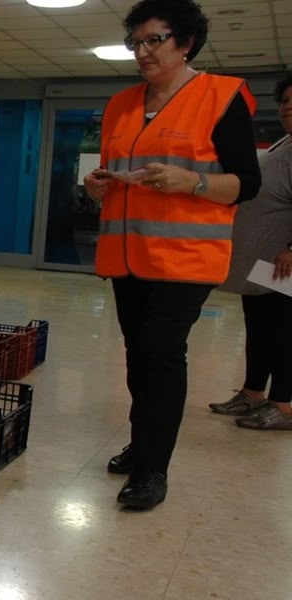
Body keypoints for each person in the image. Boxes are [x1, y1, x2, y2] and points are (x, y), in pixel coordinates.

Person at [82, 0, 261, 509]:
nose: (142, 52)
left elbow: (245, 184)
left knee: (161, 355)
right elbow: (114, 170)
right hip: (127, 254)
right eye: (135, 42)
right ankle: (142, 445)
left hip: (185, 257)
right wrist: (99, 186)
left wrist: (194, 181)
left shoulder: (221, 97)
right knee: (139, 356)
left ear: (185, 43)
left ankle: (153, 469)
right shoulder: (120, 104)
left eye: (154, 40)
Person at [210, 74, 292, 429]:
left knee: (282, 332)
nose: (288, 107)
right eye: (285, 100)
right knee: (258, 327)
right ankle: (253, 393)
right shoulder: (284, 143)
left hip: (281, 264)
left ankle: (284, 405)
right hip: (260, 262)